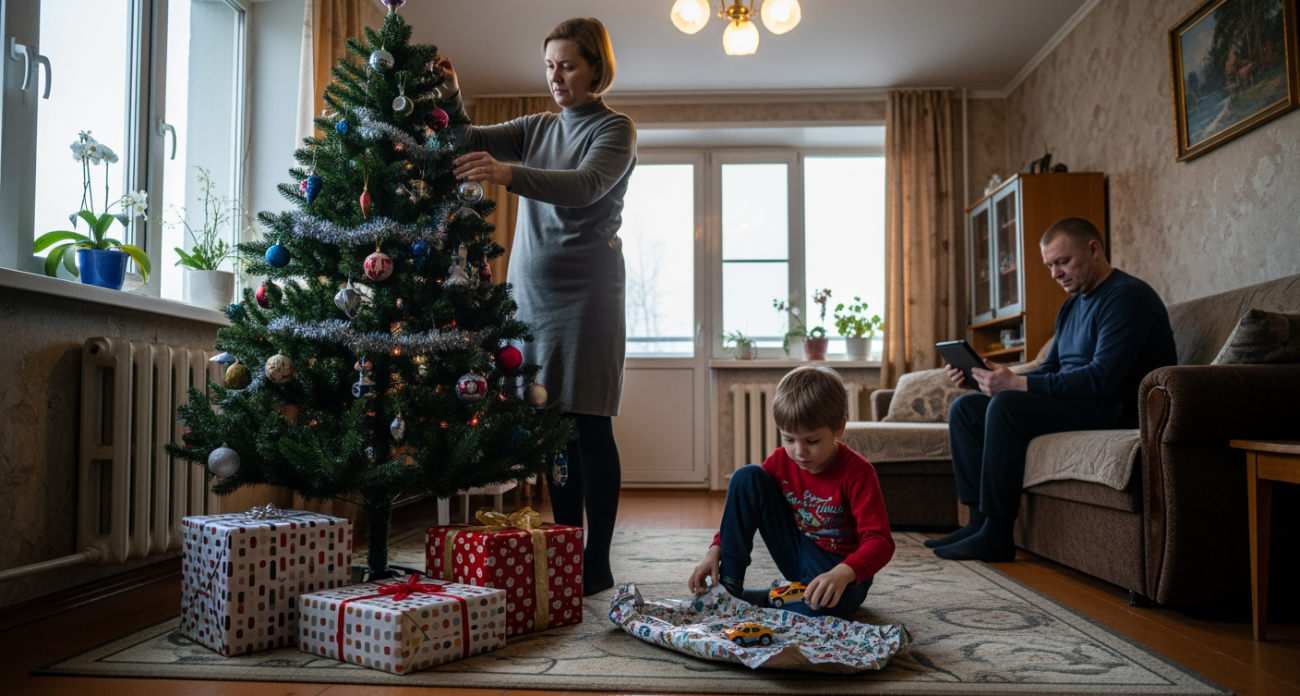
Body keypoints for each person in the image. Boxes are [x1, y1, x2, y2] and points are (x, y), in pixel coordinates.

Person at [435, 17, 637, 596]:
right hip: (531, 296)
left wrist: (508, 175)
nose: (556, 77)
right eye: (549, 65)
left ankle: (597, 562)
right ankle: (567, 550)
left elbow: (585, 185)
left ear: (596, 68)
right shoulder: (535, 125)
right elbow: (465, 138)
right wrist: (451, 93)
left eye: (568, 65)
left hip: (589, 298)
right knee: (550, 427)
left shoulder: (615, 128)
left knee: (589, 425)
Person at [929, 216, 1177, 562]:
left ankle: (998, 535)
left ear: (1094, 250)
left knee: (1008, 407)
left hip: (1115, 409)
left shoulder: (1127, 297)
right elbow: (1049, 370)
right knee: (967, 409)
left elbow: (1102, 378)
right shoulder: (1071, 307)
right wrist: (987, 377)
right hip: (1079, 403)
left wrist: (1015, 385)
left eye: (1062, 262)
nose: (1055, 273)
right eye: (1049, 265)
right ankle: (979, 521)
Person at [688, 366, 894, 620]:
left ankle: (764, 599)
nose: (799, 452)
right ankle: (729, 589)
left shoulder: (858, 472)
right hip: (797, 552)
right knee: (746, 476)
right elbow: (747, 503)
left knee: (822, 611)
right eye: (788, 439)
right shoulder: (780, 462)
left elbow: (881, 542)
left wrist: (843, 573)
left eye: (812, 441)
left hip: (841, 573)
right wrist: (714, 550)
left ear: (839, 427)